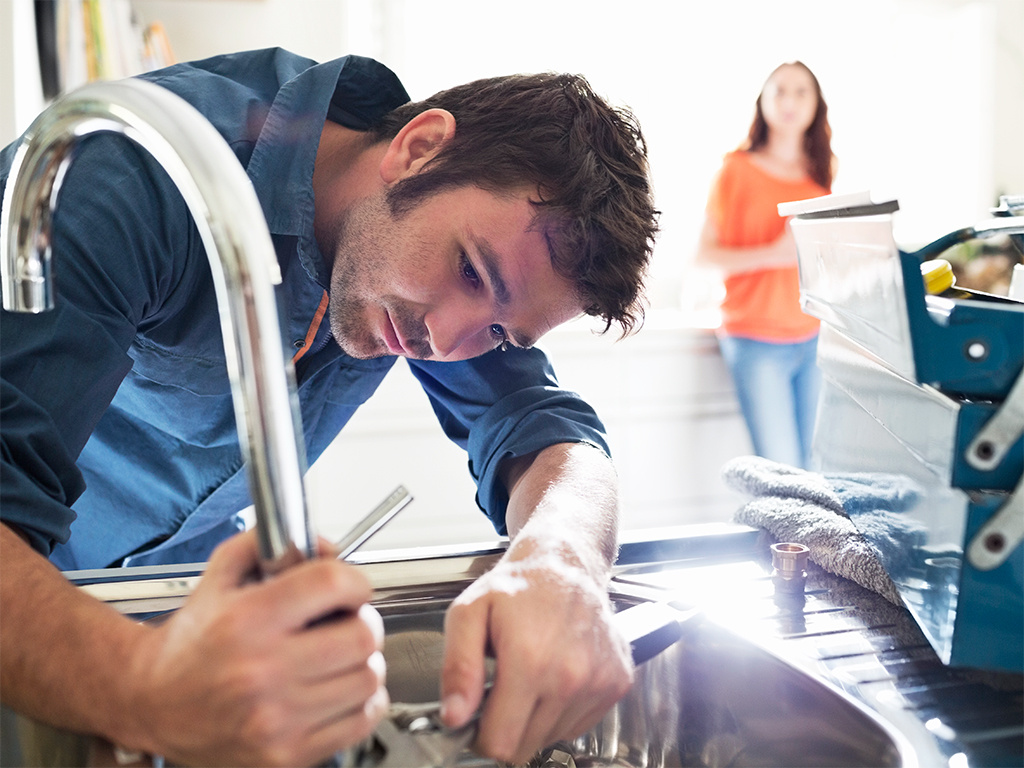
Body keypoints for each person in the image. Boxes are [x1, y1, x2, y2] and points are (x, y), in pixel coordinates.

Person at [0, 49, 658, 767]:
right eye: (469, 270)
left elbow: (545, 427)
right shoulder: (130, 177)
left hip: (165, 576)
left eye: (500, 329)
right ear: (419, 149)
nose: (445, 339)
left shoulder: (417, 258)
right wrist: (142, 686)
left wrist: (562, 558)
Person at [694, 60, 836, 470]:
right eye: (779, 90)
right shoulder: (735, 170)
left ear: (816, 105)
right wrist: (774, 254)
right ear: (763, 102)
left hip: (813, 337)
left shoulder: (821, 173)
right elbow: (704, 257)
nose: (789, 101)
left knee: (814, 470)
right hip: (756, 340)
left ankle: (812, 540)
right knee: (784, 473)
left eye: (801, 91)